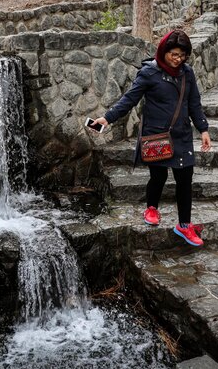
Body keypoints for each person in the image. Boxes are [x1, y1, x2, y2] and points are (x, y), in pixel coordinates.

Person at [90, 30, 211, 247]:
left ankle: (184, 225)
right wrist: (107, 118)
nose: (178, 59)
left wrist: (203, 129)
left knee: (185, 180)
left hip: (182, 135)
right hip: (157, 136)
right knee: (159, 177)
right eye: (174, 54)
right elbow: (130, 99)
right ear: (164, 51)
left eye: (182, 55)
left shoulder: (187, 73)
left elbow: (194, 103)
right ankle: (152, 208)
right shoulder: (149, 73)